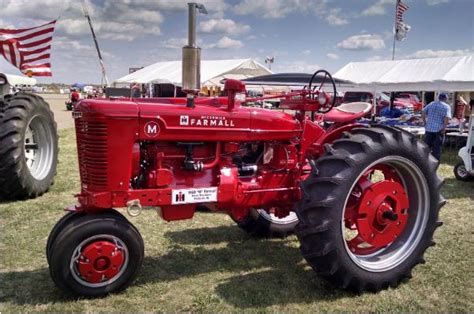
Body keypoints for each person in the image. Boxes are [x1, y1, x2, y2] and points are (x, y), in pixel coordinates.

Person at [422, 93, 452, 160]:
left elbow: (423, 112)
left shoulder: (431, 104)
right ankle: (435, 161)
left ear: (438, 98)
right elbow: (447, 118)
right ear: (446, 99)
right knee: (437, 147)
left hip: (429, 128)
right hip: (439, 130)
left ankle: (424, 159)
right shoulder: (446, 106)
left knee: (426, 146)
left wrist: (424, 122)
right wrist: (444, 127)